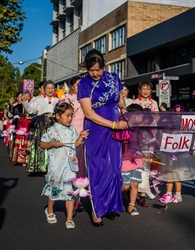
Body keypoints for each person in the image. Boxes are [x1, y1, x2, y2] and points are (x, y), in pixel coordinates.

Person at [78, 49, 128, 227]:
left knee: (114, 166)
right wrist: (113, 125)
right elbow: (89, 113)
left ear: (103, 67)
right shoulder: (83, 84)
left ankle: (111, 205)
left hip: (115, 128)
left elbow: (120, 103)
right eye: (91, 70)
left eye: (98, 70)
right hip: (97, 128)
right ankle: (97, 208)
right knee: (98, 167)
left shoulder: (114, 77)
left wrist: (122, 98)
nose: (95, 74)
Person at [40, 102, 89, 229]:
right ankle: (49, 210)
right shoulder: (51, 130)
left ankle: (69, 218)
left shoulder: (72, 129)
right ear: (57, 116)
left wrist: (81, 137)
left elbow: (76, 144)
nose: (70, 118)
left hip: (69, 167)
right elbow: (42, 144)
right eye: (67, 116)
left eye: (71, 116)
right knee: (54, 189)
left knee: (70, 191)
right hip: (56, 166)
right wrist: (52, 144)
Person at [121, 104, 152, 215]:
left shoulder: (139, 130)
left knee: (135, 184)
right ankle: (114, 197)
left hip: (137, 160)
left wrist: (144, 156)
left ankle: (132, 205)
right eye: (138, 115)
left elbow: (139, 147)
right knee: (124, 186)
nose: (140, 118)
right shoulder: (123, 128)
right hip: (124, 160)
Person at [132, 81, 159, 205]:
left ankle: (144, 191)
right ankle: (138, 191)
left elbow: (157, 119)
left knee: (147, 166)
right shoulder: (135, 103)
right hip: (138, 136)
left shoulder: (154, 103)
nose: (145, 91)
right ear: (139, 90)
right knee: (137, 165)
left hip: (150, 135)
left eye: (148, 89)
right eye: (143, 89)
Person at [22, 81, 59, 173]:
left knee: (54, 144)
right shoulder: (39, 99)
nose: (50, 90)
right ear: (44, 89)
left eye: (52, 88)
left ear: (54, 89)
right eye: (48, 88)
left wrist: (53, 115)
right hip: (42, 124)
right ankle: (42, 166)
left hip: (54, 124)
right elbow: (31, 110)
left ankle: (53, 166)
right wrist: (25, 102)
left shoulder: (58, 101)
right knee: (42, 143)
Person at [62, 76, 86, 177]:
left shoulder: (87, 99)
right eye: (78, 85)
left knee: (84, 161)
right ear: (72, 86)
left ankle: (83, 183)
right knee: (73, 160)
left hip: (85, 132)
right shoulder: (66, 100)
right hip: (72, 133)